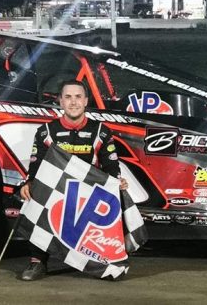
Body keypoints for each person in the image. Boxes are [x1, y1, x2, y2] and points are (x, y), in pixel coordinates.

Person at [18, 80, 128, 281]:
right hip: (57, 194)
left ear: (86, 101)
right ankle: (37, 261)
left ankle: (101, 258)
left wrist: (117, 182)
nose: (73, 102)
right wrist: (28, 182)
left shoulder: (101, 131)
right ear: (60, 101)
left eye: (78, 97)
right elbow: (36, 165)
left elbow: (111, 167)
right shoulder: (46, 131)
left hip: (87, 197)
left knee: (115, 197)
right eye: (67, 97)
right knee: (33, 194)